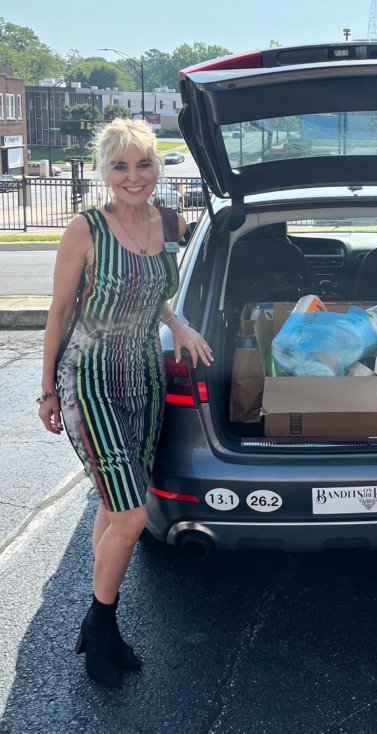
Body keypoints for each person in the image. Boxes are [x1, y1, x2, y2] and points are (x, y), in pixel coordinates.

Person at [37, 118, 212, 688]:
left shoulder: (168, 221)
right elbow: (60, 313)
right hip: (89, 378)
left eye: (143, 165)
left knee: (115, 509)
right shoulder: (86, 228)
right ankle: (102, 623)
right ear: (105, 172)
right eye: (120, 166)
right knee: (134, 513)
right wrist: (46, 391)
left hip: (142, 379)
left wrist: (178, 324)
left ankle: (99, 623)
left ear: (158, 170)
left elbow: (153, 291)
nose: (132, 177)